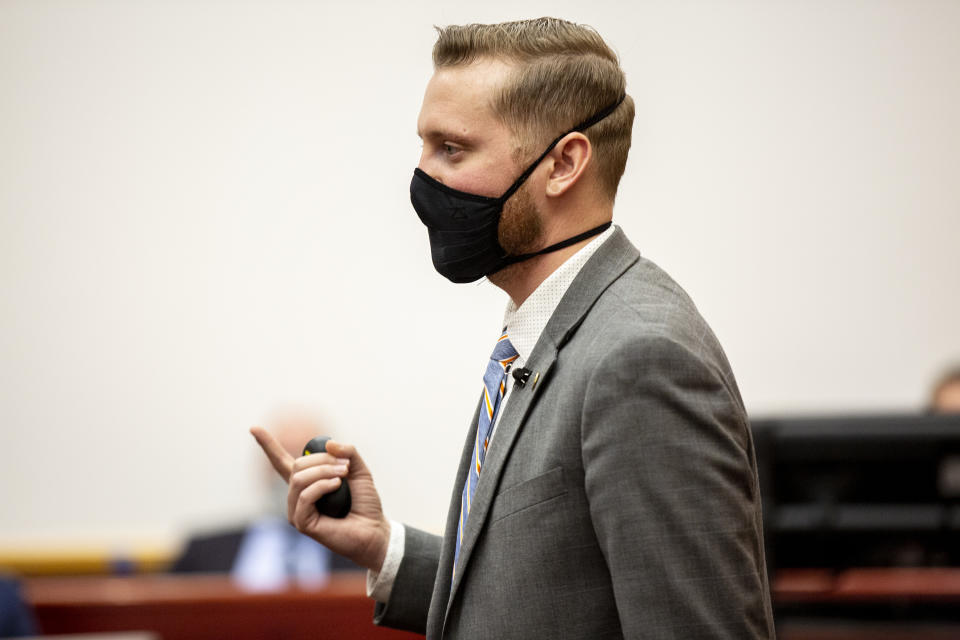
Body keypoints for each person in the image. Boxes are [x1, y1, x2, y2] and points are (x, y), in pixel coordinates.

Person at [252, 17, 775, 638]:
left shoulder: (641, 358)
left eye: (452, 149)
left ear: (563, 163)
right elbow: (544, 596)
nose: (422, 180)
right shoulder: (547, 328)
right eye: (423, 147)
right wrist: (382, 546)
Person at [175, 412, 359, 590]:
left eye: (305, 459)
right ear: (262, 466)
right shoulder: (204, 553)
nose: (292, 472)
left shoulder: (362, 557)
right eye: (278, 457)